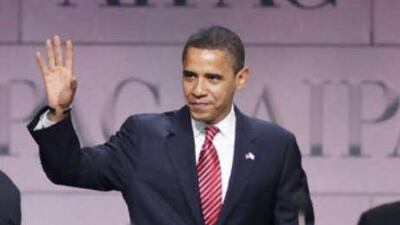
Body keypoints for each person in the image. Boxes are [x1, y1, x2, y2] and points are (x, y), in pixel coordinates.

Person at [27, 26, 314, 225]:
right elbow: (69, 168)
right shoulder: (144, 137)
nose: (198, 89)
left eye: (212, 78)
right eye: (190, 76)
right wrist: (59, 109)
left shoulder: (275, 146)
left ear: (241, 78)